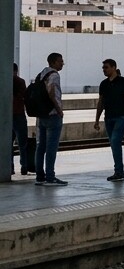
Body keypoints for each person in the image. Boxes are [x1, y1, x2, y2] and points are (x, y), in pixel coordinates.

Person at [93, 58, 124, 182]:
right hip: (109, 117)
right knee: (113, 144)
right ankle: (119, 171)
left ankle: (119, 171)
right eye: (103, 68)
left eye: (106, 67)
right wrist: (96, 120)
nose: (104, 70)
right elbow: (101, 102)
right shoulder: (104, 84)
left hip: (121, 117)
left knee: (115, 141)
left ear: (114, 67)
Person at [33, 52, 66, 186]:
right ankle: (50, 176)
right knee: (51, 147)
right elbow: (52, 91)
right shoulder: (54, 75)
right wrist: (59, 110)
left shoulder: (41, 74)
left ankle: (40, 176)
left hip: (41, 115)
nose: (62, 63)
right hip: (52, 114)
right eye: (60, 61)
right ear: (53, 62)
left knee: (40, 146)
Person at [12, 63, 30, 176]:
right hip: (19, 114)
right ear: (16, 70)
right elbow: (24, 97)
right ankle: (24, 166)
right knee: (23, 143)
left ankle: (9, 167)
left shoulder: (4, 81)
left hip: (7, 116)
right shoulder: (20, 81)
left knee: (8, 144)